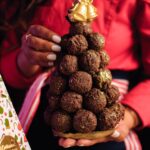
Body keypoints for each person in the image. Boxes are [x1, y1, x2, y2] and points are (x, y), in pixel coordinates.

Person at [0, 0, 150, 149]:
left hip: (107, 107)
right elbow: (7, 66)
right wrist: (26, 59)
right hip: (49, 105)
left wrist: (131, 115)